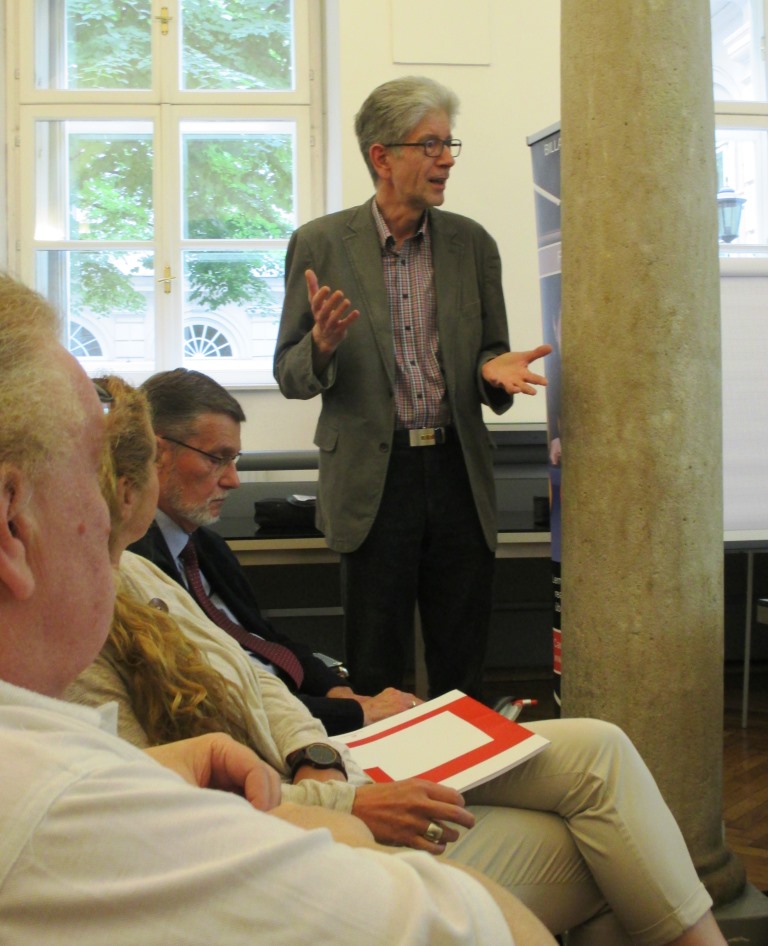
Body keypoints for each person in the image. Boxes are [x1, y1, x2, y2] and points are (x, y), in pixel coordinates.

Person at [68, 373, 729, 945]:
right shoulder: (90, 612)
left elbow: (255, 666)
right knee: (606, 847)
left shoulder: (136, 571)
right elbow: (173, 807)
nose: (233, 480)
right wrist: (345, 793)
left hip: (317, 768)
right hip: (296, 831)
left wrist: (318, 744)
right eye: (218, 459)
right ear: (133, 475)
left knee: (603, 753)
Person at [0, 272, 557, 946]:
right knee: (568, 836)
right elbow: (476, 927)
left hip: (299, 771)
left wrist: (312, 746)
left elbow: (253, 660)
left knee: (591, 773)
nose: (110, 509)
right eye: (91, 470)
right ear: (12, 523)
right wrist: (343, 809)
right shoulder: (62, 797)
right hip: (303, 798)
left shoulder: (155, 583)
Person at [274, 75, 552, 701]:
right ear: (382, 156)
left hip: (457, 472)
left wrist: (491, 370)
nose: (446, 159)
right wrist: (320, 346)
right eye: (430, 144)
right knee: (375, 667)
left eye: (449, 144)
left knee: (461, 661)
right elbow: (289, 372)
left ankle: (469, 762)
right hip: (374, 479)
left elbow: (491, 350)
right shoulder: (321, 244)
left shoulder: (471, 244)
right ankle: (385, 765)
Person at [129, 366, 419, 736]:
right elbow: (209, 699)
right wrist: (354, 714)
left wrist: (333, 689)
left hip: (297, 711)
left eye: (234, 459)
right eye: (216, 458)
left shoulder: (204, 547)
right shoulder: (132, 567)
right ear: (158, 452)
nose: (233, 480)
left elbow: (264, 639)